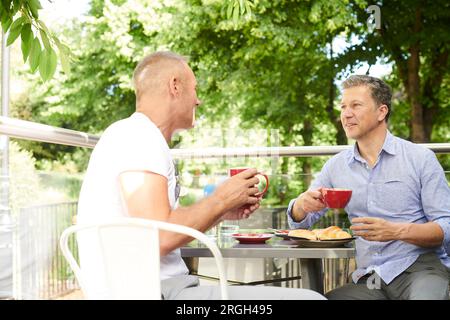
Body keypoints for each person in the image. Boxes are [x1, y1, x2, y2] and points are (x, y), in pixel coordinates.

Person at [77, 51, 325, 300]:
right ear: (175, 86)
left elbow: (162, 224)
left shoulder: (134, 135)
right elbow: (156, 237)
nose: (198, 101)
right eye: (195, 89)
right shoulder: (138, 137)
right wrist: (220, 199)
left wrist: (220, 211)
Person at [286, 75, 450, 300]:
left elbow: (446, 227)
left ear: (381, 112)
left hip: (420, 269)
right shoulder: (336, 166)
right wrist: (301, 205)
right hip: (370, 278)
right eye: (343, 107)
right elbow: (300, 223)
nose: (346, 114)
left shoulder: (420, 159)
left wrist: (396, 231)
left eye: (356, 105)